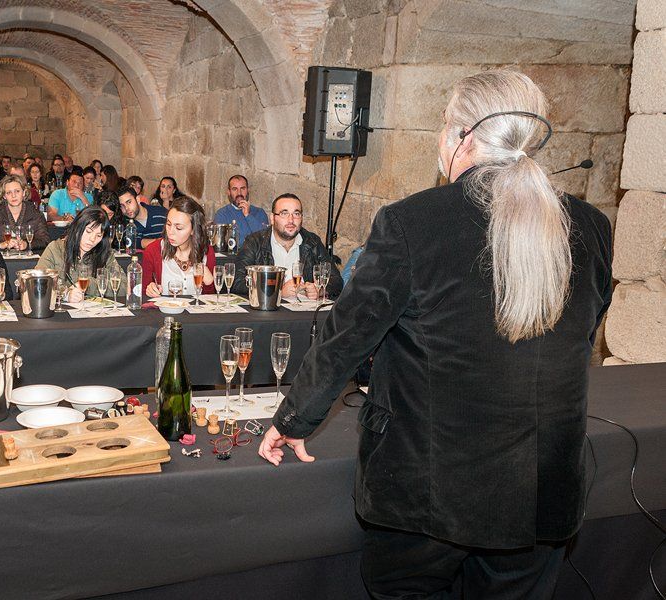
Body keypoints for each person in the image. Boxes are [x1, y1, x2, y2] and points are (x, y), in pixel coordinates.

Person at [257, 70, 613, 599]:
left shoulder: (412, 222)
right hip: (541, 491)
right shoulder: (591, 226)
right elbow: (583, 331)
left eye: (445, 126)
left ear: (462, 136)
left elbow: (346, 338)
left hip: (428, 491)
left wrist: (294, 420)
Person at [231, 193, 341, 300]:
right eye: (284, 213)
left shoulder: (312, 242)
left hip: (304, 310)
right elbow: (237, 282)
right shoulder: (255, 242)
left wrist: (320, 290)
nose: (291, 220)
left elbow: (336, 280)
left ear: (301, 218)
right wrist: (277, 291)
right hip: (268, 309)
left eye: (296, 214)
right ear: (272, 218)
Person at [36, 206, 119, 303]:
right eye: (88, 231)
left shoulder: (105, 254)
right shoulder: (55, 249)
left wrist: (88, 284)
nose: (92, 239)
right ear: (77, 227)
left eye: (98, 235)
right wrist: (65, 294)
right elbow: (38, 282)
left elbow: (124, 285)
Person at [142, 196, 216, 298]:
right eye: (168, 224)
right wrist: (149, 290)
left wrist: (209, 283)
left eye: (178, 228)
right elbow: (142, 294)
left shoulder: (207, 252)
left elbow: (210, 300)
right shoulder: (153, 251)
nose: (170, 232)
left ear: (193, 230)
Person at [0, 175, 50, 253]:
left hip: (29, 259)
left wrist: (26, 244)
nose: (13, 196)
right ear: (4, 196)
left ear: (24, 192)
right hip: (1, 259)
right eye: (9, 192)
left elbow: (45, 240)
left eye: (17, 191)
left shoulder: (37, 215)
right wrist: (2, 245)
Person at [214, 174, 269, 247]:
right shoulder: (222, 214)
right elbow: (221, 243)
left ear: (248, 190)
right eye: (234, 189)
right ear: (229, 192)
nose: (239, 193)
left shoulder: (260, 213)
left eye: (242, 189)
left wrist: (248, 216)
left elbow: (265, 239)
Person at [118, 185, 167, 250]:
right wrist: (160, 242)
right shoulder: (124, 222)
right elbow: (133, 243)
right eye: (122, 206)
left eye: (129, 202)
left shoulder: (161, 213)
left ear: (137, 199)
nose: (126, 208)